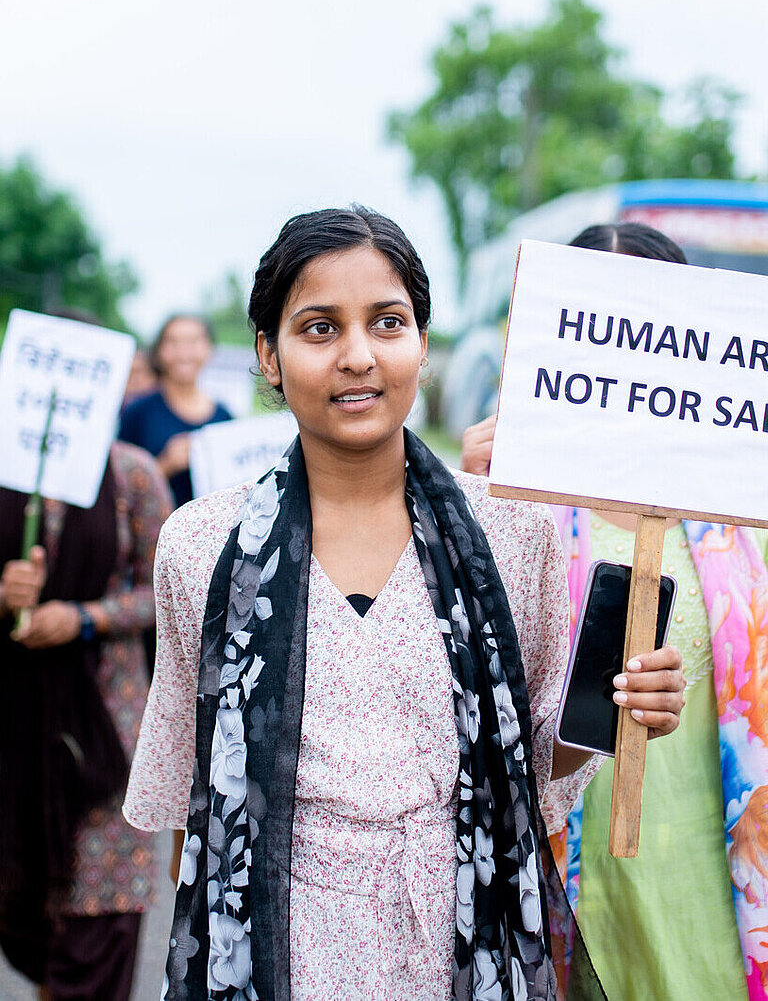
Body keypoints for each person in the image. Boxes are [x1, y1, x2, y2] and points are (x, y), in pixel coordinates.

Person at [124, 207, 683, 1001]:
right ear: (268, 355)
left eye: (388, 322)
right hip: (280, 952)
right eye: (319, 328)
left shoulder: (509, 532)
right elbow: (193, 799)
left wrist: (618, 703)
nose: (358, 356)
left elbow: (530, 765)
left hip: (465, 942)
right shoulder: (200, 545)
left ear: (423, 343)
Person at [460, 221, 768, 1001]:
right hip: (570, 865)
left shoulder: (735, 508)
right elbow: (462, 683)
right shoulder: (515, 496)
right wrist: (473, 499)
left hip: (714, 861)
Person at [0, 438, 174, 1001]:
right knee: (25, 910)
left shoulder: (132, 474)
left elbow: (172, 589)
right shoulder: (9, 469)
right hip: (17, 736)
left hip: (107, 732)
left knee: (101, 922)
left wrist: (85, 617)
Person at [119, 314, 232, 507]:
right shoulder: (137, 412)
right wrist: (165, 465)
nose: (184, 352)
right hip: (153, 531)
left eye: (194, 341)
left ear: (209, 349)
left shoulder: (225, 418)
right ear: (159, 351)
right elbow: (119, 484)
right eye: (173, 342)